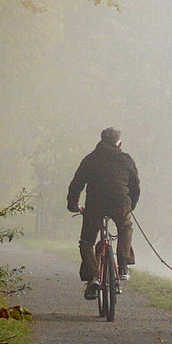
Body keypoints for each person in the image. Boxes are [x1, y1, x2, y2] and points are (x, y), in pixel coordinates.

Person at [67, 126, 139, 301]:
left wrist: (73, 205)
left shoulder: (90, 159)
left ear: (101, 141)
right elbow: (135, 187)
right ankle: (123, 266)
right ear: (119, 143)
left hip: (95, 205)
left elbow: (76, 184)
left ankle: (92, 277)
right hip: (120, 204)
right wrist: (131, 206)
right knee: (125, 228)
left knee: (87, 241)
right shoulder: (126, 160)